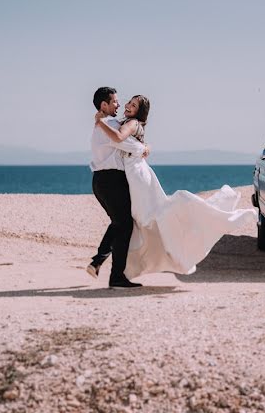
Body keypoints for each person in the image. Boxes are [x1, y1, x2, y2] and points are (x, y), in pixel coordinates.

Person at [94, 94, 256, 279]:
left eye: (134, 105)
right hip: (135, 174)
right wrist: (144, 147)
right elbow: (127, 143)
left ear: (140, 112)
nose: (128, 105)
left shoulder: (131, 124)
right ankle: (114, 267)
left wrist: (100, 122)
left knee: (145, 219)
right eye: (129, 102)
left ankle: (113, 265)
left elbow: (117, 138)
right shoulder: (126, 122)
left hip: (137, 176)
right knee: (139, 221)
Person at [88, 87, 149, 289]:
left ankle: (98, 261)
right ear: (104, 105)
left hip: (99, 181)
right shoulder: (110, 124)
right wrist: (144, 148)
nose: (119, 104)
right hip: (112, 180)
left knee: (119, 224)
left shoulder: (102, 124)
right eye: (114, 101)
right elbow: (126, 143)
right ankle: (116, 277)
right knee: (124, 226)